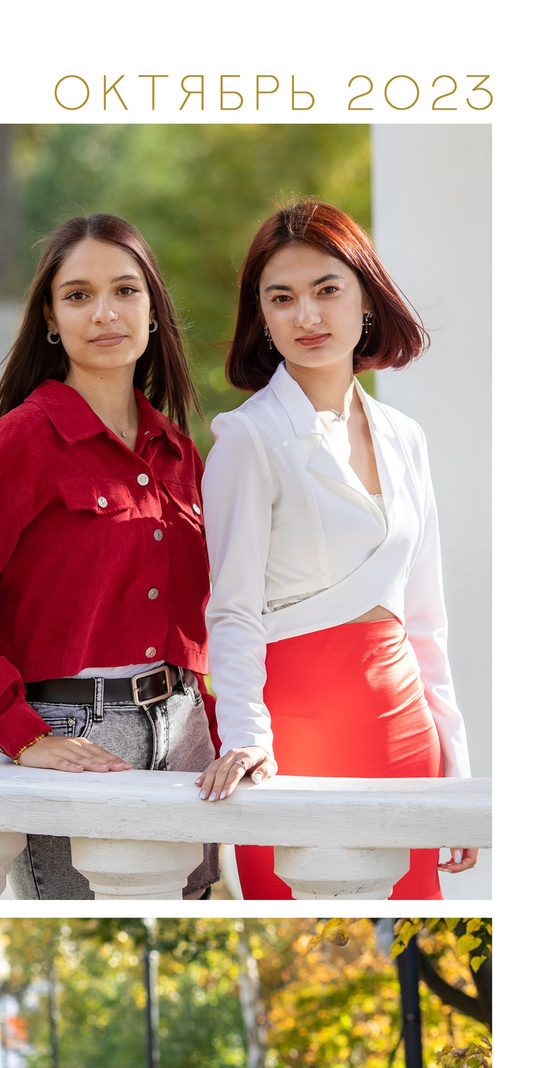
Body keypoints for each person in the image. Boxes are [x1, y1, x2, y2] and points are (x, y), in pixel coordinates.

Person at [0, 214, 217, 900]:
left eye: (125, 291)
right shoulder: (14, 449)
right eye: (77, 295)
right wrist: (22, 736)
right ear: (51, 317)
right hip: (76, 736)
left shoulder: (176, 452)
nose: (104, 312)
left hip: (187, 730)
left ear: (153, 309)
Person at [195, 201, 474, 894]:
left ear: (366, 300)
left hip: (405, 726)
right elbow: (230, 611)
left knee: (410, 921)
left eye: (327, 290)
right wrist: (245, 738)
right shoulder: (247, 439)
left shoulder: (405, 437)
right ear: (261, 317)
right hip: (294, 730)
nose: (307, 316)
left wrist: (456, 773)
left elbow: (426, 619)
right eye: (281, 299)